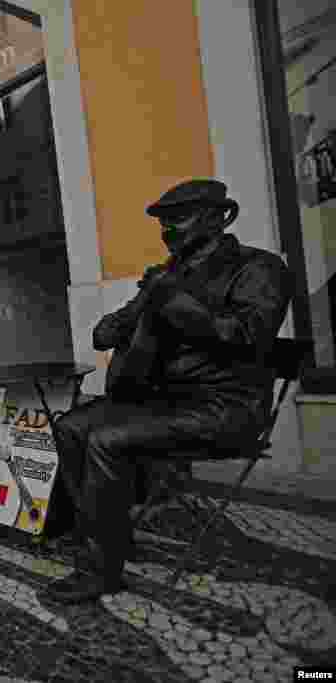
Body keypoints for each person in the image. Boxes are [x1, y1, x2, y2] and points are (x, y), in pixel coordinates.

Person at [46, 179, 293, 603]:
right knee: (70, 427)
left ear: (219, 217)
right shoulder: (167, 276)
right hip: (160, 403)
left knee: (106, 440)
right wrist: (134, 311)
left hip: (225, 406)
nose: (167, 231)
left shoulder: (259, 268)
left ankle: (100, 568)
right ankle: (111, 535)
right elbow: (104, 334)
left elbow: (246, 337)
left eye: (179, 218)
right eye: (163, 223)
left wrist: (174, 300)